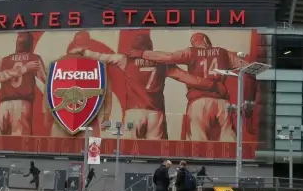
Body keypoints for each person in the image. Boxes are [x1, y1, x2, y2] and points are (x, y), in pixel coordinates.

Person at [70, 33, 225, 139]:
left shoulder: (125, 60)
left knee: (128, 152)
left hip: (133, 112)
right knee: (155, 154)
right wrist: (212, 85)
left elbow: (102, 57)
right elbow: (186, 78)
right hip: (155, 113)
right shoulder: (162, 64)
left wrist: (83, 51)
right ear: (150, 47)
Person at [129, 32, 247, 142]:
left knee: (197, 138)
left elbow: (168, 57)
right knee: (228, 135)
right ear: (206, 40)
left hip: (198, 100)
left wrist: (143, 54)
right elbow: (247, 67)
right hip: (222, 101)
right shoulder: (224, 53)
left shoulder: (191, 52)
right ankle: (233, 161)